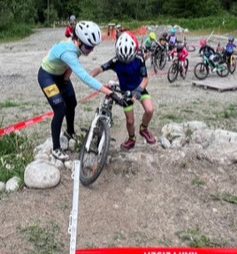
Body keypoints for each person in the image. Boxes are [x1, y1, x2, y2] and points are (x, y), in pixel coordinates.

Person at [39, 20, 126, 161]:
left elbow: (70, 64)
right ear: (79, 40)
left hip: (61, 75)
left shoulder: (75, 46)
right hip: (47, 77)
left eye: (93, 47)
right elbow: (85, 77)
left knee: (71, 102)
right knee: (60, 109)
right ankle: (56, 148)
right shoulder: (68, 52)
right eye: (89, 47)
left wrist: (65, 79)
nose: (91, 50)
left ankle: (70, 132)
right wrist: (110, 93)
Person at [90, 32, 156, 150]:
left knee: (150, 110)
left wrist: (138, 90)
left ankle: (144, 129)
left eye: (129, 60)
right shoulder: (115, 61)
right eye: (123, 60)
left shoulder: (139, 59)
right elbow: (100, 68)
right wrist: (89, 77)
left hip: (139, 88)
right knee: (130, 121)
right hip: (126, 92)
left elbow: (145, 79)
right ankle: (131, 139)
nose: (126, 62)